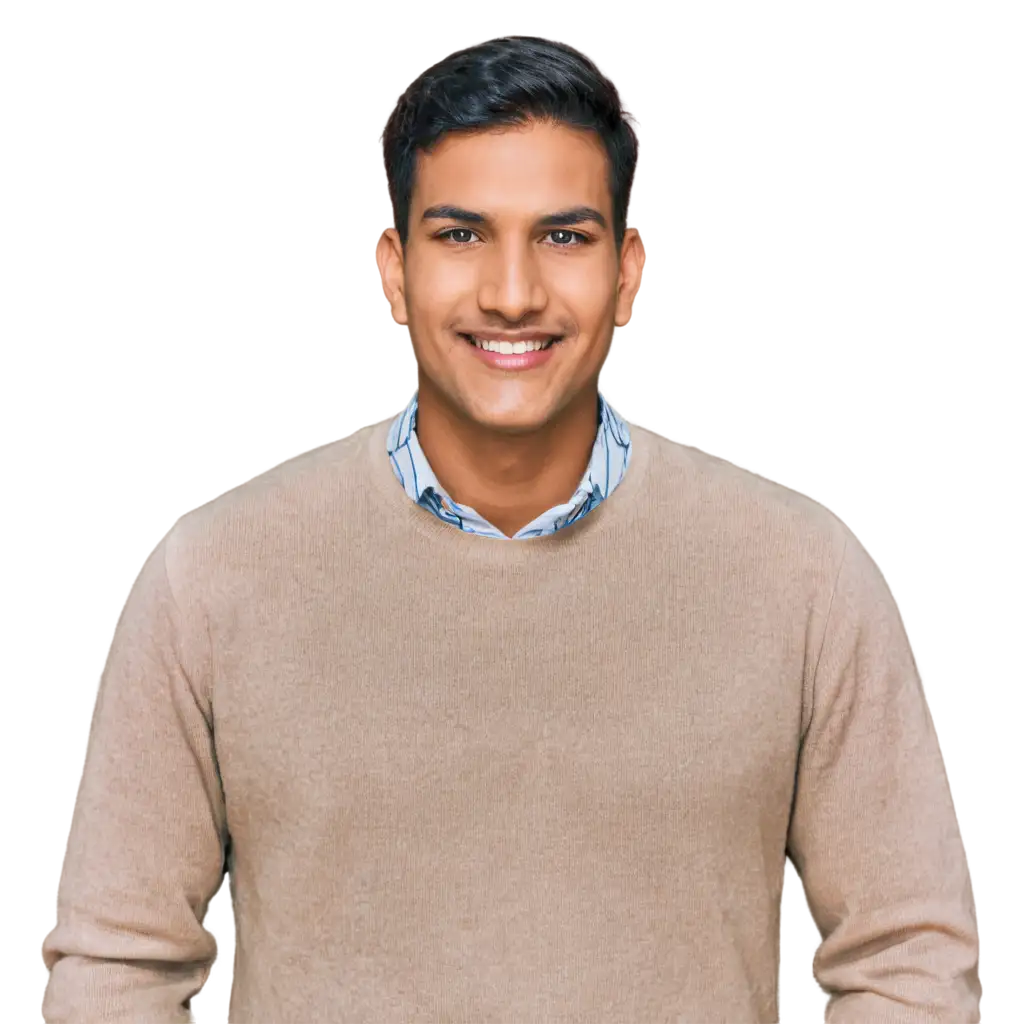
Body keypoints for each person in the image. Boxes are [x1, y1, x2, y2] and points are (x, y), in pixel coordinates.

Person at [41, 35, 980, 1022]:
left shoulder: (802, 577)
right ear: (392, 270)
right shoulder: (214, 577)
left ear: (626, 272)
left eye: (563, 237)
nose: (513, 291)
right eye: (461, 235)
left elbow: (907, 957)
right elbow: (116, 969)